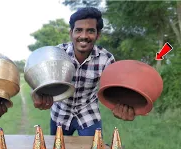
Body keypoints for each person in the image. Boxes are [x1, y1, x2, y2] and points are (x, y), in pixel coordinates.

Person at [32, 7, 135, 136]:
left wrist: (124, 105)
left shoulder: (106, 59)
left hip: (89, 114)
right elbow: (40, 79)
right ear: (71, 33)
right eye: (79, 30)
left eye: (90, 31)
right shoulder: (57, 54)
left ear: (98, 35)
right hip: (60, 114)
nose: (84, 36)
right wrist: (37, 94)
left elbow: (115, 90)